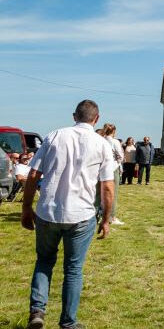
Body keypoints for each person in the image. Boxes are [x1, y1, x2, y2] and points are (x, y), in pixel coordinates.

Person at [22, 100, 116, 329]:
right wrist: (106, 218)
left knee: (44, 261)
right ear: (96, 118)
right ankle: (68, 322)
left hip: (48, 211)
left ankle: (38, 310)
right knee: (73, 269)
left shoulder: (54, 136)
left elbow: (33, 174)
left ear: (75, 115)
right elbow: (107, 187)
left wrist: (26, 207)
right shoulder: (102, 144)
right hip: (81, 214)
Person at [99, 124, 124, 226]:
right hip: (113, 169)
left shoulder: (100, 140)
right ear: (114, 131)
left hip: (100, 168)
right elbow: (120, 156)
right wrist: (117, 165)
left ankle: (99, 215)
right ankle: (111, 217)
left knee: (100, 194)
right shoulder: (115, 141)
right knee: (113, 194)